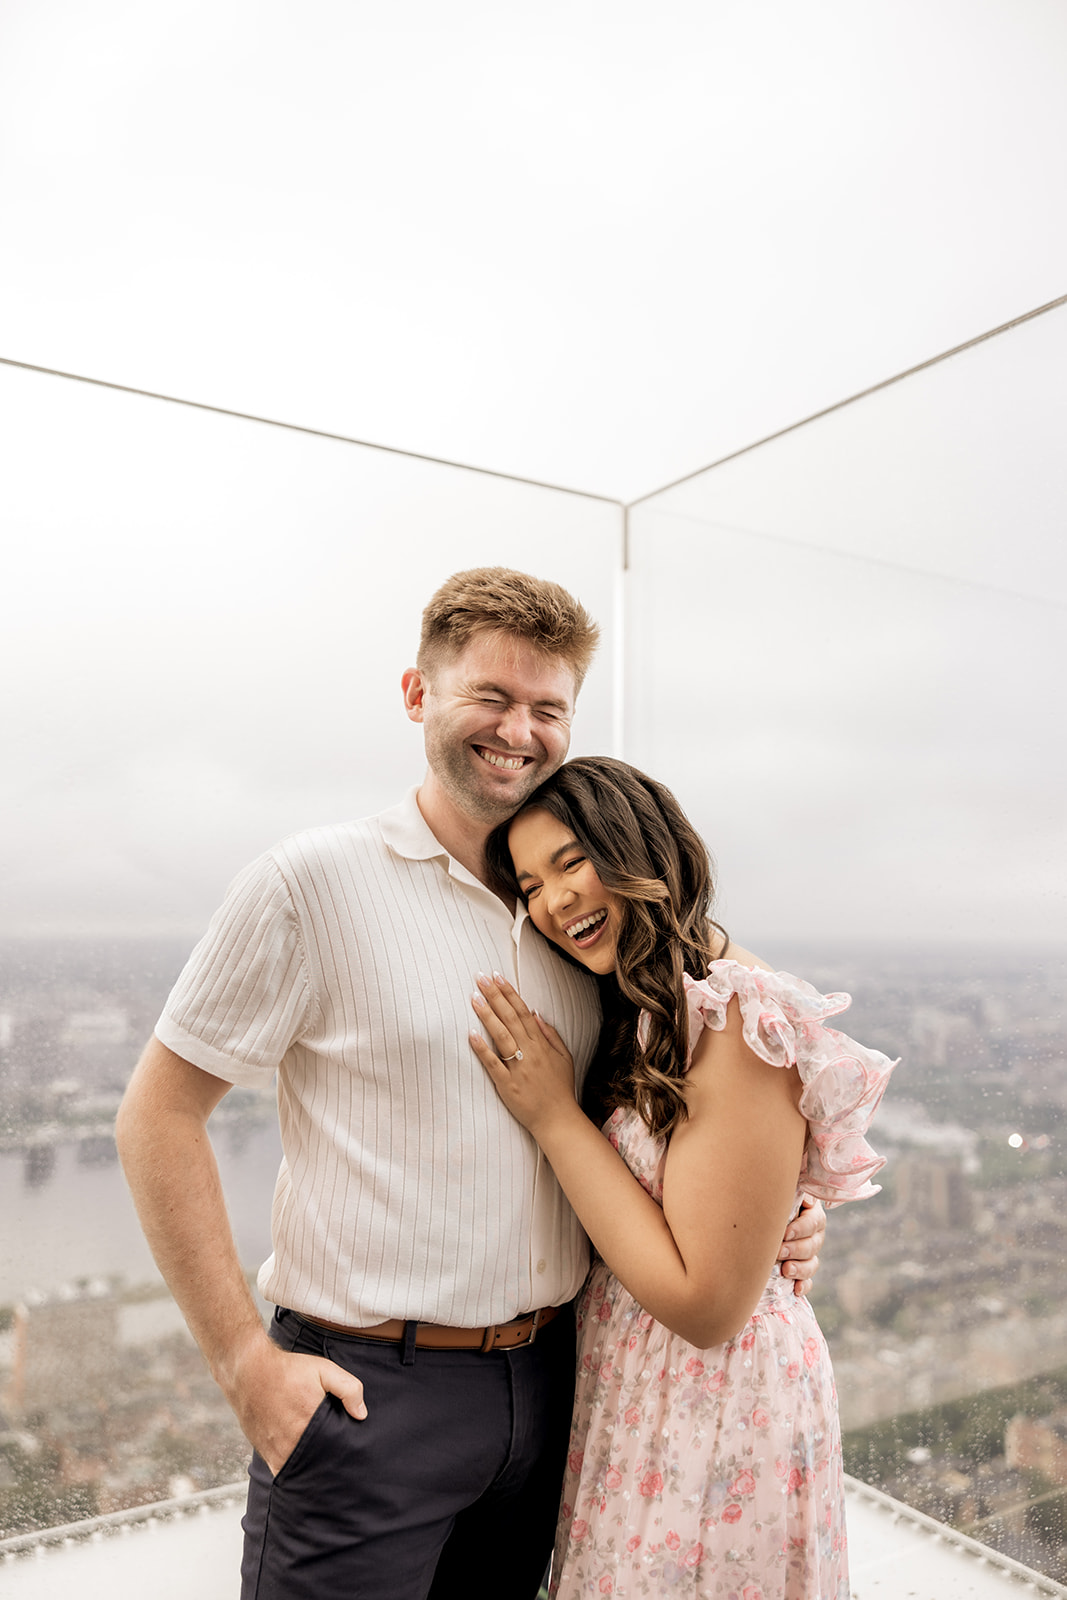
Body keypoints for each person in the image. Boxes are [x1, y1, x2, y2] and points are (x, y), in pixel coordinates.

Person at [116, 568, 826, 1600]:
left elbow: (708, 1093)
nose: (518, 729)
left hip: (560, 1385)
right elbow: (156, 1116)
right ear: (417, 695)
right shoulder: (309, 883)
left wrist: (781, 1217)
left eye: (547, 707)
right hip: (368, 1395)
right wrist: (241, 1363)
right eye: (489, 697)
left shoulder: (578, 924)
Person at [470, 756, 895, 1599]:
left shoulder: (734, 1014)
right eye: (530, 885)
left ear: (639, 849)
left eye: (571, 862)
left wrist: (554, 1116)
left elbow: (708, 1305)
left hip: (715, 1404)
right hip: (642, 1393)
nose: (553, 901)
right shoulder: (646, 1000)